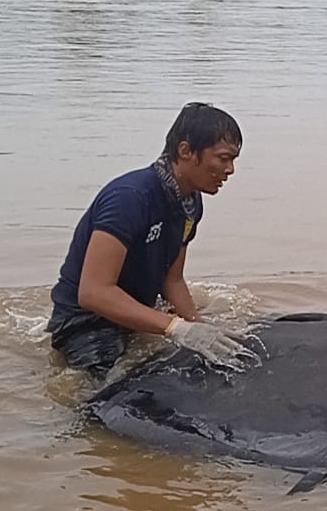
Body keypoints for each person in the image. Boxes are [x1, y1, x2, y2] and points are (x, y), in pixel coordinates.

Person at [46, 103, 255, 377]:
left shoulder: (190, 203)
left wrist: (199, 327)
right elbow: (93, 292)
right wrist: (174, 328)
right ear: (185, 151)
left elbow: (172, 280)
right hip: (86, 320)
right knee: (103, 392)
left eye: (234, 160)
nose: (230, 170)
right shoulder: (130, 198)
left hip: (137, 311)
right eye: (223, 158)